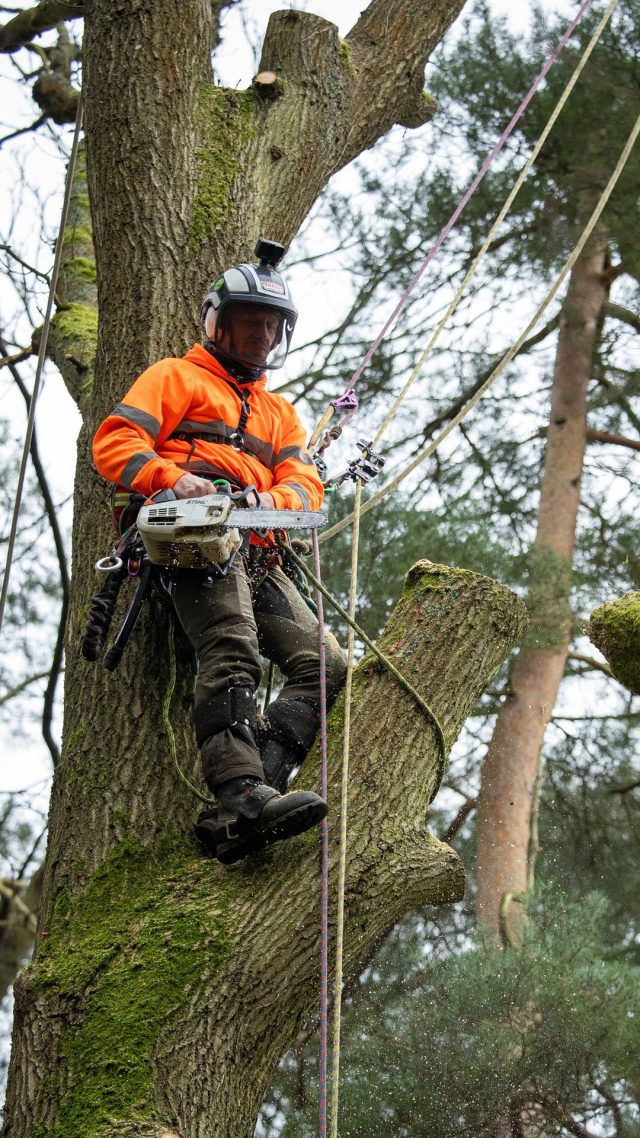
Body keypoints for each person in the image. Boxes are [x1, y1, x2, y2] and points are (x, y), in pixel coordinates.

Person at [92, 239, 346, 864]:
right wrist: (172, 478)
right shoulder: (174, 377)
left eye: (269, 326)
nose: (258, 337)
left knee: (328, 665)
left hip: (257, 548)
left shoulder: (279, 412)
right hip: (192, 538)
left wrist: (275, 502)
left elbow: (304, 482)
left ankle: (257, 788)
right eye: (247, 323)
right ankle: (238, 793)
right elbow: (115, 442)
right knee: (234, 648)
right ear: (216, 322)